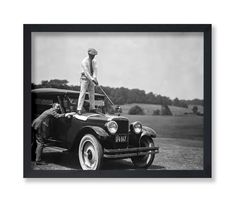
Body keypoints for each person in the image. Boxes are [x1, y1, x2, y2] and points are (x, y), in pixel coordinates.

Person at [76, 48, 99, 115]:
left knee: (92, 93)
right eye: (92, 55)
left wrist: (95, 78)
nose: (93, 56)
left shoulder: (94, 61)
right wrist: (92, 79)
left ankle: (92, 108)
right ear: (89, 54)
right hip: (84, 78)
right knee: (82, 93)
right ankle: (79, 109)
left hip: (91, 77)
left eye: (94, 55)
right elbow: (86, 73)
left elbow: (95, 70)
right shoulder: (84, 62)